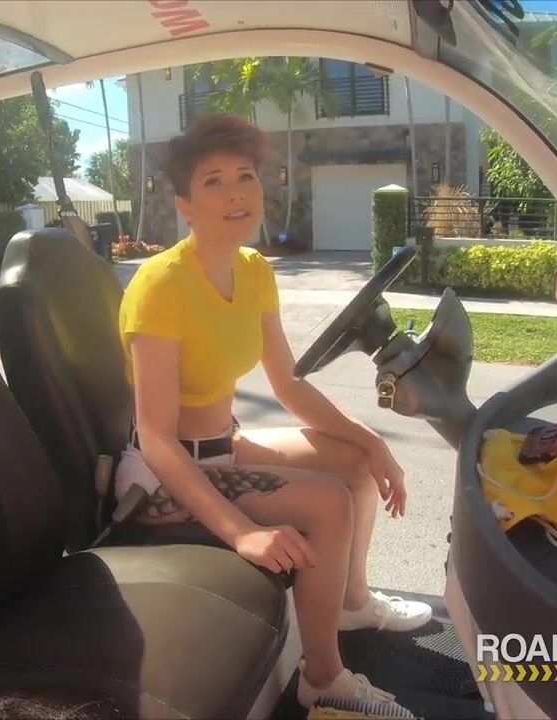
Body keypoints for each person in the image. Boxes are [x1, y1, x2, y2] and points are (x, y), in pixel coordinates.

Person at [115, 114, 431, 708]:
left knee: (355, 461)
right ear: (185, 205)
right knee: (329, 502)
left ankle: (351, 604)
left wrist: (373, 442)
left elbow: (288, 384)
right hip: (165, 475)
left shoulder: (254, 272)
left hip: (225, 447)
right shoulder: (159, 287)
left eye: (246, 176)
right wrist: (242, 534)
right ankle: (323, 681)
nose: (236, 193)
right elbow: (155, 437)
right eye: (213, 182)